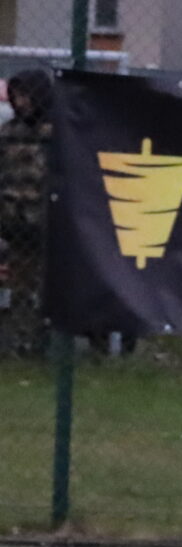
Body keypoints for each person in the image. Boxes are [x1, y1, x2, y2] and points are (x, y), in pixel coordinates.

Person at [0, 70, 55, 361]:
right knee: (21, 287)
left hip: (48, 223)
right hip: (14, 223)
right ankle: (23, 345)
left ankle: (44, 343)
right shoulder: (9, 133)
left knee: (46, 286)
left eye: (26, 96)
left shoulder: (58, 133)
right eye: (16, 96)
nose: (21, 103)